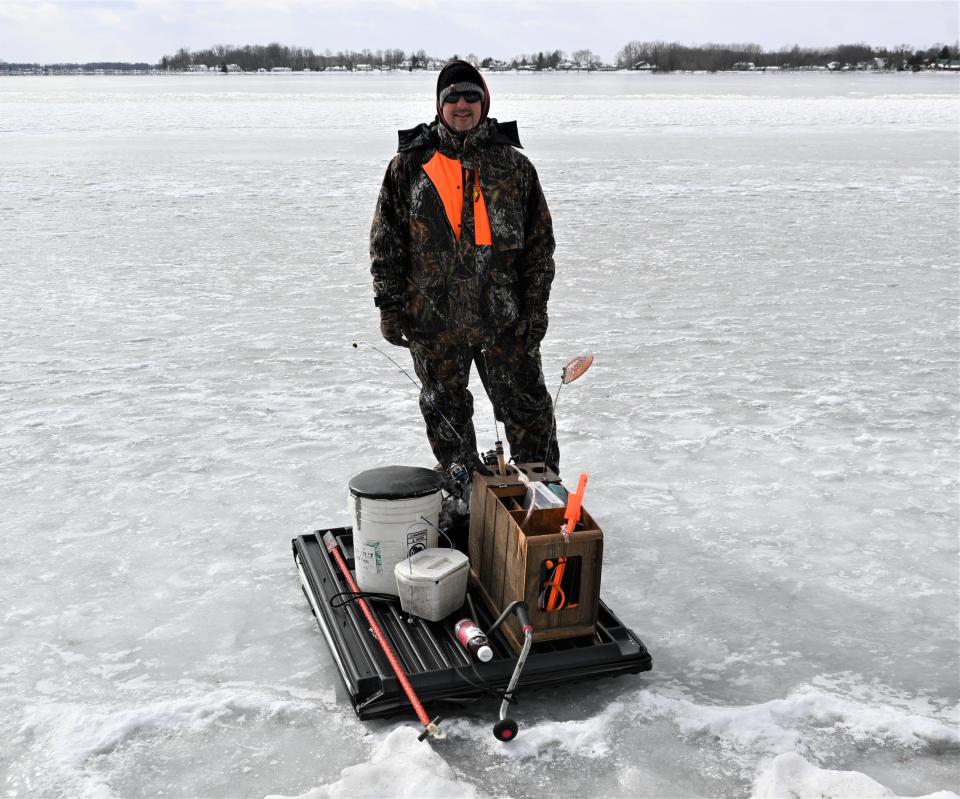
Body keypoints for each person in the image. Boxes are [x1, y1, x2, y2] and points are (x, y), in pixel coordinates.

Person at [369, 59, 559, 476]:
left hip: (504, 321)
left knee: (528, 410)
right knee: (447, 416)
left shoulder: (515, 168)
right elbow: (387, 243)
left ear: (484, 102)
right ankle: (465, 495)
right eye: (452, 96)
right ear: (440, 105)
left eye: (471, 96)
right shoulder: (408, 167)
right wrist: (389, 307)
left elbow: (539, 250)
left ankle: (542, 498)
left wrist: (535, 310)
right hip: (434, 321)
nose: (462, 104)